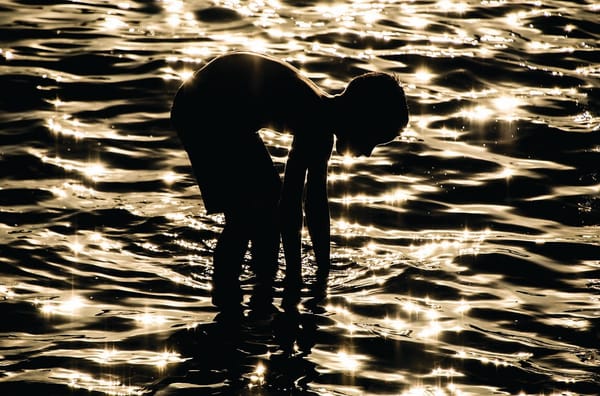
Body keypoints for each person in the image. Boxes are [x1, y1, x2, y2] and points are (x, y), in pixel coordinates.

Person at [171, 51, 409, 314]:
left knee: (265, 205)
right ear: (360, 117)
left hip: (230, 117)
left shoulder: (322, 124)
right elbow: (291, 204)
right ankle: (227, 296)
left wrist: (322, 272)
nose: (367, 153)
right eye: (372, 140)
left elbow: (316, 206)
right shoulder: (314, 118)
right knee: (245, 216)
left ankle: (261, 285)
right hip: (202, 110)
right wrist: (295, 281)